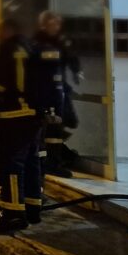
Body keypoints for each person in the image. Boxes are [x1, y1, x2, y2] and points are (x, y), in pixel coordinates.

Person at [0, 19, 42, 234]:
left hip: (13, 116)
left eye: (0, 30)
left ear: (9, 30)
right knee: (31, 162)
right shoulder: (31, 49)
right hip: (33, 116)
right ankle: (32, 208)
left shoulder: (6, 51)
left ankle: (13, 214)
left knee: (10, 164)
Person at [32, 11, 80, 178]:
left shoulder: (61, 42)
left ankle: (56, 156)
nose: (56, 27)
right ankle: (51, 162)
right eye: (53, 23)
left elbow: (70, 58)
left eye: (58, 24)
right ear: (44, 25)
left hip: (59, 90)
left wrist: (76, 71)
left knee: (69, 121)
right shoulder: (38, 43)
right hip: (46, 92)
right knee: (53, 128)